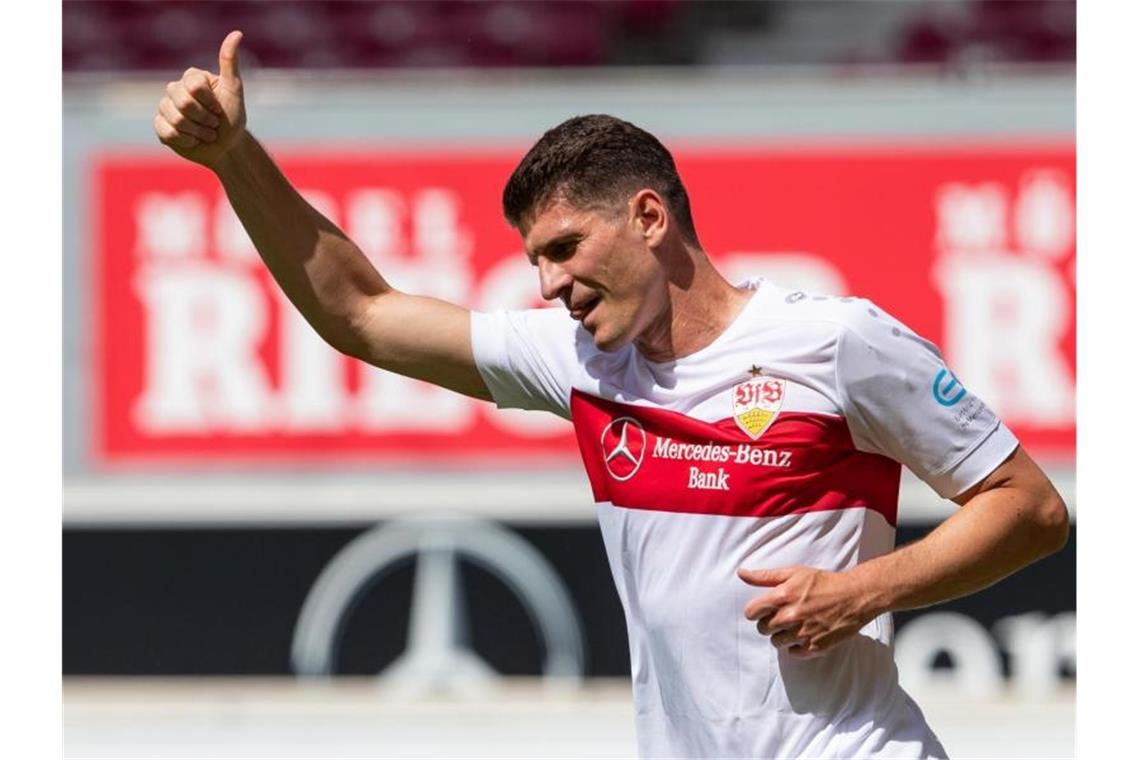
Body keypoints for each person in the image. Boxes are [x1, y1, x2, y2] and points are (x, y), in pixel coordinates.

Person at [154, 32, 1070, 759]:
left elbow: (1028, 508)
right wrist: (235, 157)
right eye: (535, 262)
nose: (548, 285)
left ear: (647, 215)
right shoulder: (580, 364)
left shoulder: (837, 342)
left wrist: (863, 590)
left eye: (562, 248)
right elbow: (362, 313)